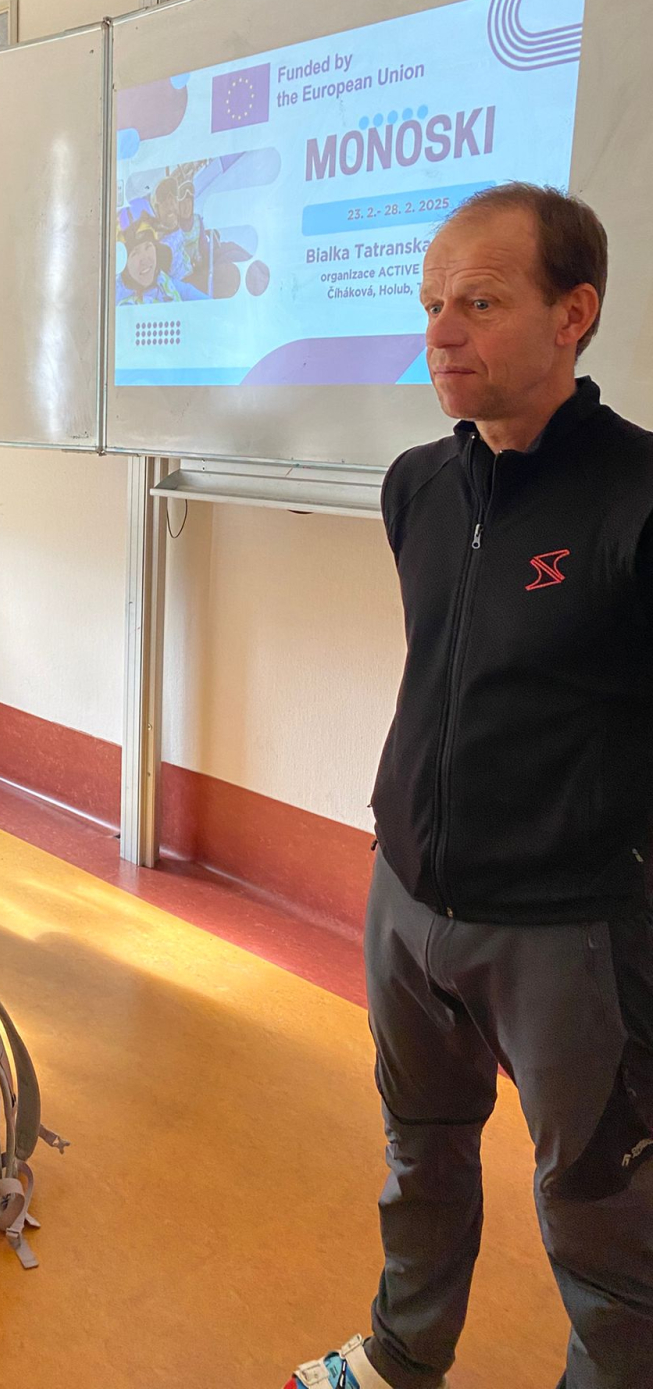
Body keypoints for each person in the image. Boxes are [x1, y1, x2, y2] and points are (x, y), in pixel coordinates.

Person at [286, 184, 653, 1389]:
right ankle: (403, 1356)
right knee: (420, 1156)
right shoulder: (417, 487)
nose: (441, 332)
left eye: (480, 303)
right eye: (432, 303)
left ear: (573, 314)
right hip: (407, 899)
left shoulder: (637, 496)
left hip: (567, 929)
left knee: (601, 1214)